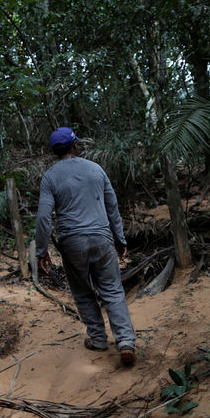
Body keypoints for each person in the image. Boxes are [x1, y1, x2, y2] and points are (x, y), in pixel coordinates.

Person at [35, 127, 137, 366]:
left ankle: (98, 339)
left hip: (72, 243)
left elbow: (43, 218)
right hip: (102, 239)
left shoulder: (50, 177)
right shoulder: (96, 169)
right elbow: (112, 208)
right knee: (112, 290)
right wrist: (120, 239)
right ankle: (125, 342)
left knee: (82, 291)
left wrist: (41, 251)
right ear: (75, 146)